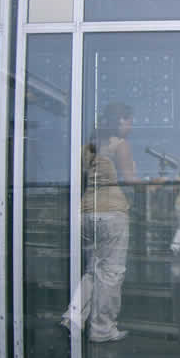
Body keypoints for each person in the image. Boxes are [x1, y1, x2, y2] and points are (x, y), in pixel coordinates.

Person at [60, 104, 136, 342]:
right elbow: (130, 180)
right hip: (112, 213)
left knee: (94, 270)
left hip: (86, 212)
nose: (130, 126)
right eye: (128, 121)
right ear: (118, 122)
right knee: (111, 272)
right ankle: (102, 329)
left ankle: (73, 317)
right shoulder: (119, 145)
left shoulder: (88, 148)